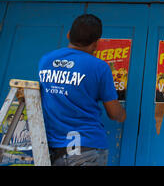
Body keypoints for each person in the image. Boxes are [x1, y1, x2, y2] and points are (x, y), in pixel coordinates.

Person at [38, 14, 126, 166]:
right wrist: (122, 114)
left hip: (48, 149)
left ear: (68, 35)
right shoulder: (100, 67)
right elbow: (114, 113)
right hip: (86, 149)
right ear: (96, 44)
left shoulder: (46, 60)